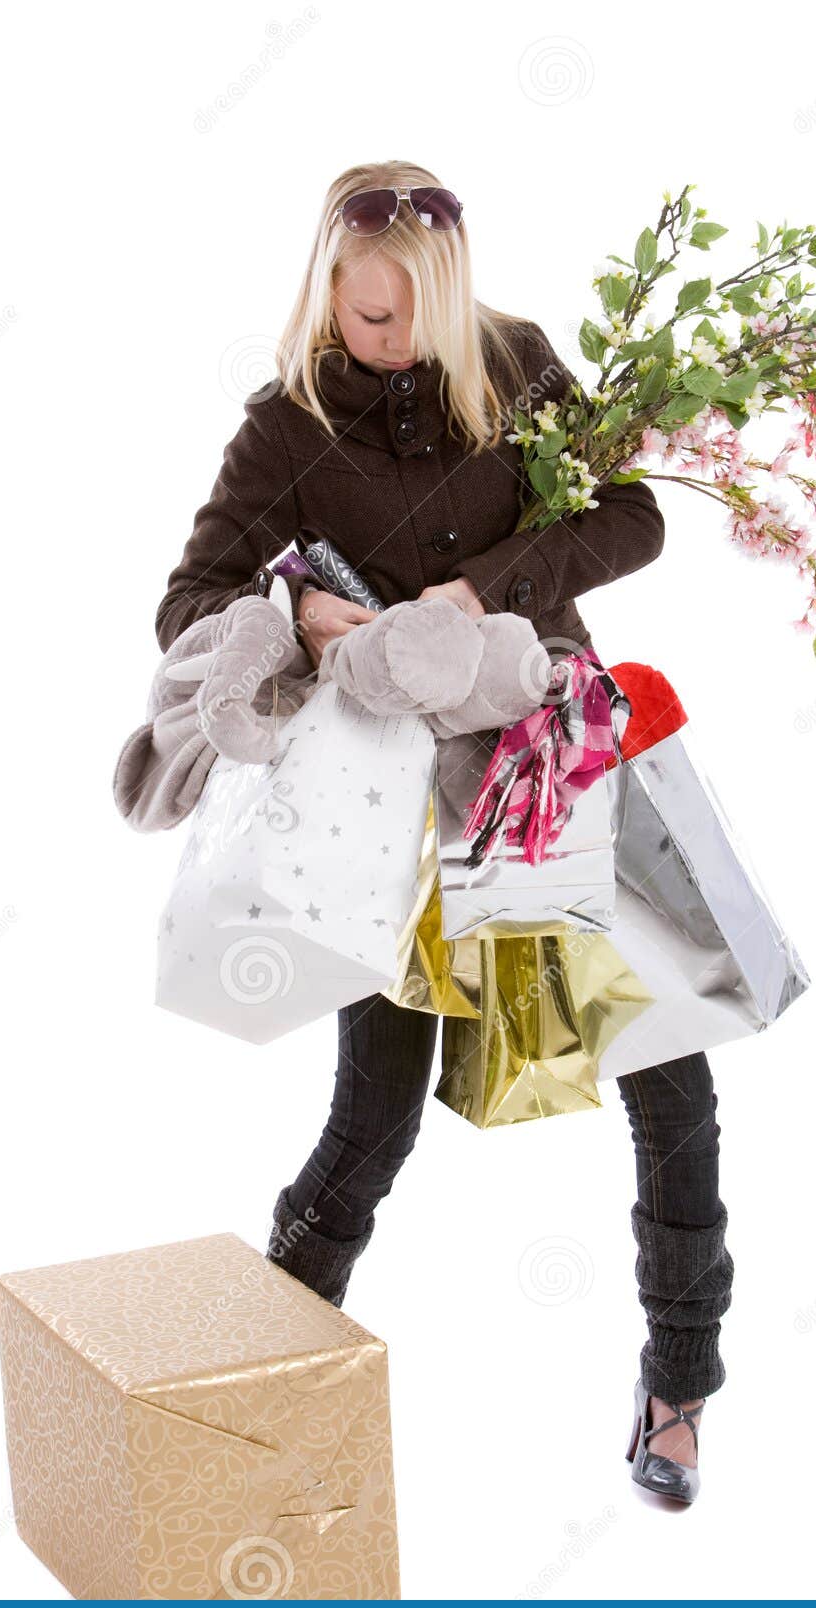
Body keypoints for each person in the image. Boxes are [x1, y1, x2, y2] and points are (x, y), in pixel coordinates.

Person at [154, 161, 734, 1506]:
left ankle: (679, 1382)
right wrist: (298, 618)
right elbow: (183, 599)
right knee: (375, 1109)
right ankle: (260, 1393)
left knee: (669, 1069)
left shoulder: (520, 362)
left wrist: (485, 591)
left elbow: (631, 517)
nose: (389, 340)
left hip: (553, 757)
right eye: (363, 318)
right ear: (327, 296)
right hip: (395, 807)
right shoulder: (286, 425)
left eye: (409, 316)